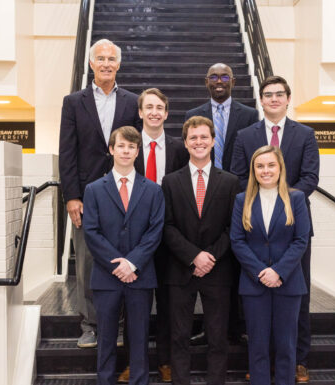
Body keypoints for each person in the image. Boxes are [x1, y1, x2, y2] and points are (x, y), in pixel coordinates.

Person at [230, 76, 319, 382]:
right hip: (255, 228)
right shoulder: (245, 135)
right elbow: (238, 176)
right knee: (256, 318)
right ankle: (259, 367)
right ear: (261, 100)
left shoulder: (305, 134)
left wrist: (284, 198)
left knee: (297, 301)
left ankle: (298, 360)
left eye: (279, 94)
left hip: (291, 225)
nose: (274, 99)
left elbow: (310, 177)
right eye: (268, 95)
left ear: (288, 98)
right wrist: (258, 197)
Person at [59, 38, 142, 348]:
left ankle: (119, 326)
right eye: (100, 58)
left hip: (125, 194)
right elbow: (67, 152)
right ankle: (91, 325)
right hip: (87, 197)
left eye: (111, 59)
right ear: (91, 63)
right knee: (88, 264)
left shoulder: (133, 102)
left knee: (124, 258)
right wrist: (71, 196)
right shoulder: (73, 102)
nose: (106, 63)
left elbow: (140, 150)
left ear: (118, 65)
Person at [161, 116, 241, 385]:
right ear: (185, 143)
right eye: (193, 138)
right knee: (179, 336)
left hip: (218, 269)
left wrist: (210, 256)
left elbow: (233, 227)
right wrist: (193, 256)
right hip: (180, 269)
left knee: (218, 337)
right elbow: (167, 226)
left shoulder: (230, 182)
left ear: (213, 141)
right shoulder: (170, 182)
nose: (199, 142)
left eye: (204, 137)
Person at [82, 126, 164, 385]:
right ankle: (104, 380)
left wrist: (132, 263)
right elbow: (92, 232)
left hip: (140, 276)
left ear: (137, 151)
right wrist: (117, 264)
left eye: (131, 147)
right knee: (106, 336)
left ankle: (139, 380)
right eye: (121, 146)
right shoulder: (94, 189)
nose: (126, 151)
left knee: (139, 336)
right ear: (111, 149)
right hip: (106, 277)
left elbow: (155, 231)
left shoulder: (153, 190)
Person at [117, 88, 188, 383]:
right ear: (141, 112)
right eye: (150, 107)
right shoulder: (130, 147)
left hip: (170, 236)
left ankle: (165, 360)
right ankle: (135, 363)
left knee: (169, 303)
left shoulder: (179, 148)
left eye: (160, 107)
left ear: (167, 113)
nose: (155, 112)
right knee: (136, 305)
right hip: (137, 239)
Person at [184, 63, 259, 345]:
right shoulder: (193, 115)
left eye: (224, 76)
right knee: (206, 263)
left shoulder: (250, 115)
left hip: (237, 195)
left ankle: (233, 326)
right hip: (203, 196)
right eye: (214, 77)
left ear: (233, 81)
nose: (219, 81)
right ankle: (208, 326)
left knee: (232, 262)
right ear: (206, 82)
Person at [230, 145, 310, 385]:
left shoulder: (296, 198)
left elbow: (301, 240)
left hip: (288, 283)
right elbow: (237, 240)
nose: (266, 170)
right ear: (254, 170)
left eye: (271, 165)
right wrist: (260, 271)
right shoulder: (242, 199)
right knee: (258, 345)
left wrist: (278, 271)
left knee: (286, 345)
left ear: (280, 168)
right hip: (254, 284)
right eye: (260, 166)